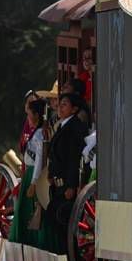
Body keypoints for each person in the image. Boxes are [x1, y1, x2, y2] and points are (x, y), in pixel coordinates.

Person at [9, 99, 54, 249]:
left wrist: (34, 182)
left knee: (30, 210)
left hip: (33, 175)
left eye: (29, 115)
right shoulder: (37, 132)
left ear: (36, 115)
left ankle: (31, 242)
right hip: (29, 172)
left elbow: (40, 158)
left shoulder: (40, 133)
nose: (28, 119)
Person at [47, 92, 89, 252]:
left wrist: (72, 185)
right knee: (54, 218)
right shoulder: (63, 126)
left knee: (63, 221)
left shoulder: (74, 127)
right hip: (57, 184)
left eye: (64, 104)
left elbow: (73, 158)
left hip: (67, 186)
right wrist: (51, 175)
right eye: (60, 104)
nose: (60, 107)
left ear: (74, 109)